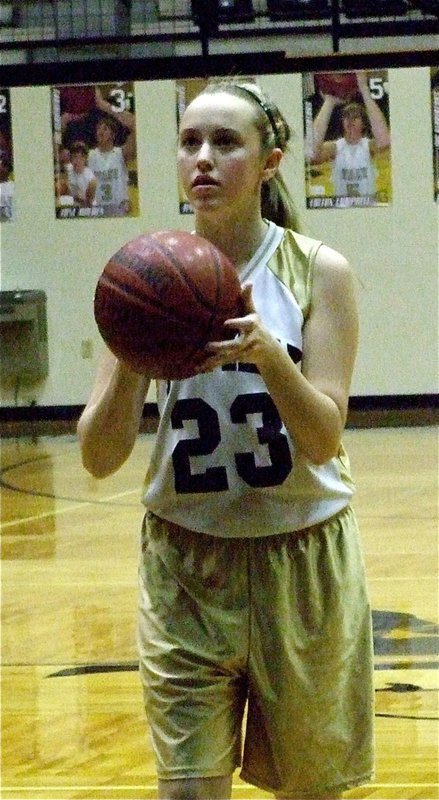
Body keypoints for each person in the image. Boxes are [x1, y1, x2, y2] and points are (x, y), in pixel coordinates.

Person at [77, 79, 375, 800]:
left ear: (270, 161)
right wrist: (133, 362)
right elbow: (97, 456)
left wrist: (270, 357)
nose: (202, 159)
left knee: (312, 790)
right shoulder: (141, 276)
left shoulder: (316, 270)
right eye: (189, 143)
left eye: (224, 142)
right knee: (187, 791)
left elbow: (323, 435)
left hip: (301, 557)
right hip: (185, 562)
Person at [309, 70, 390, 200]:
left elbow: (384, 142)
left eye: (355, 117)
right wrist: (329, 101)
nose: (350, 121)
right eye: (347, 117)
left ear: (363, 123)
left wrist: (364, 89)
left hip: (370, 209)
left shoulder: (368, 145)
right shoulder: (335, 147)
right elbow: (311, 152)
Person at [87, 110, 136, 217]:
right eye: (98, 129)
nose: (101, 131)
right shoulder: (90, 155)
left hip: (119, 207)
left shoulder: (120, 153)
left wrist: (133, 127)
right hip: (97, 208)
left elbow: (134, 143)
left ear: (113, 135)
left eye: (105, 129)